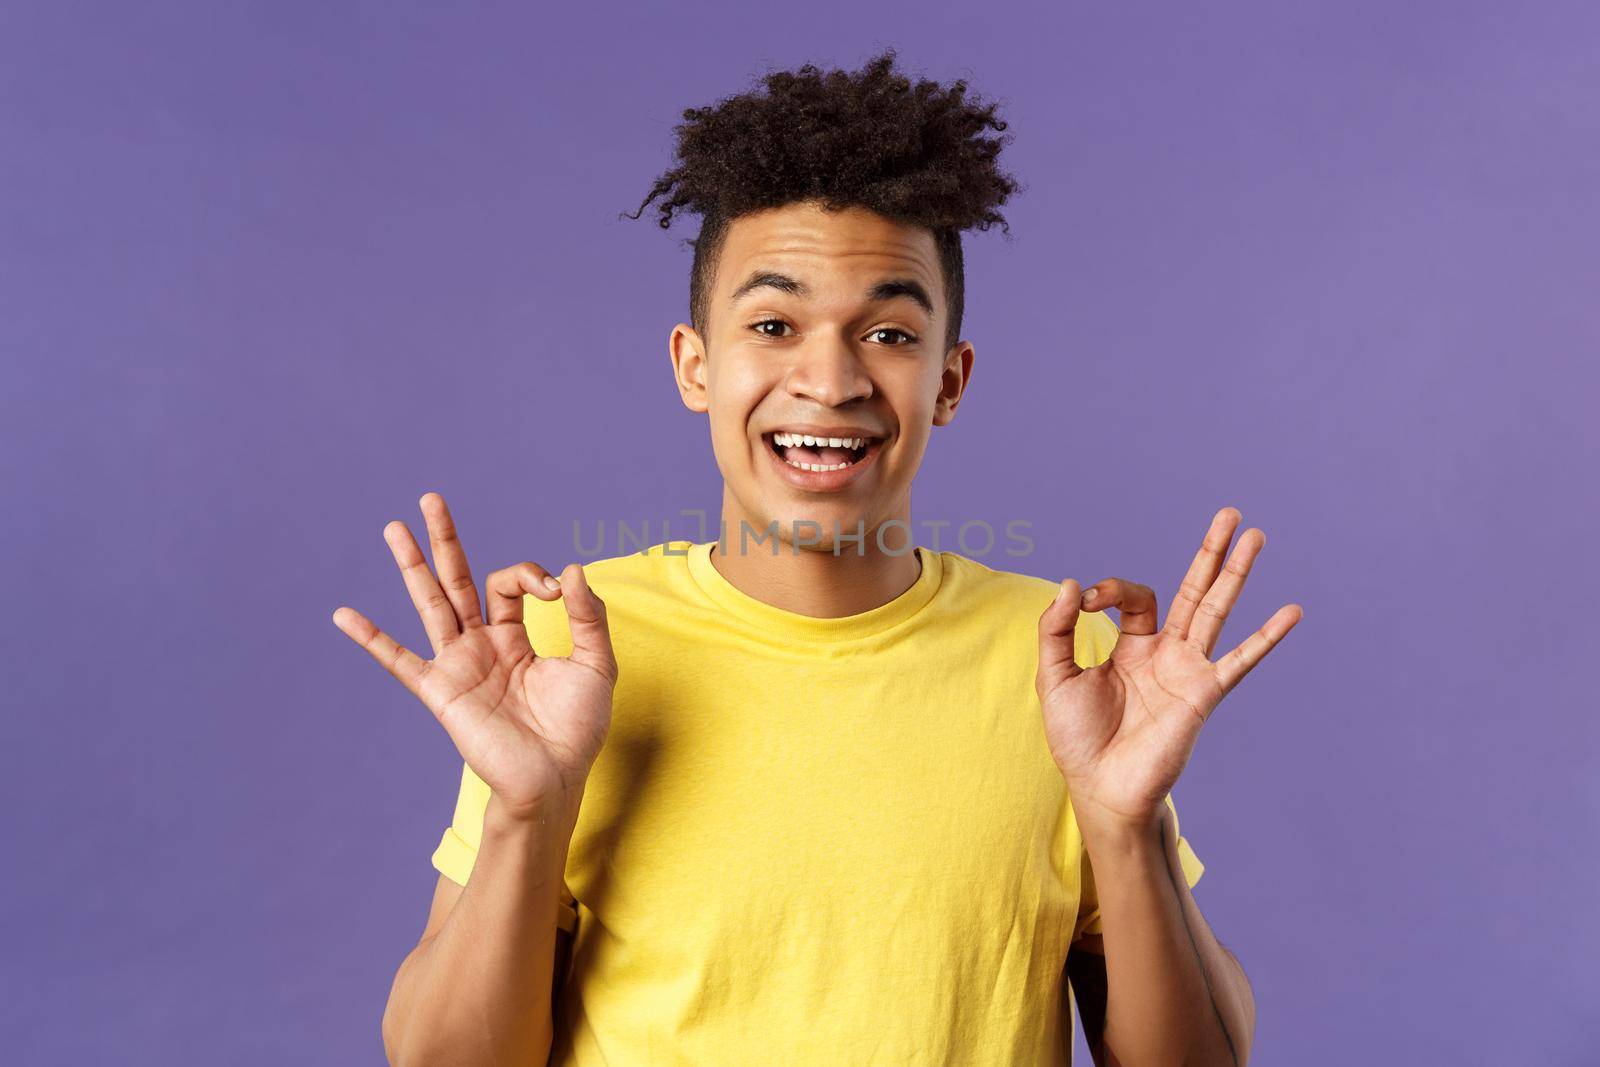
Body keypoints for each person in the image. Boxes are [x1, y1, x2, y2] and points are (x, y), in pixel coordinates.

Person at [333, 49, 1301, 1067]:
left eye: (887, 331)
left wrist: (1125, 823)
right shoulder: (561, 655)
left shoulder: (1068, 666)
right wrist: (529, 813)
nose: (829, 377)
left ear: (950, 379)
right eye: (772, 323)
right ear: (694, 364)